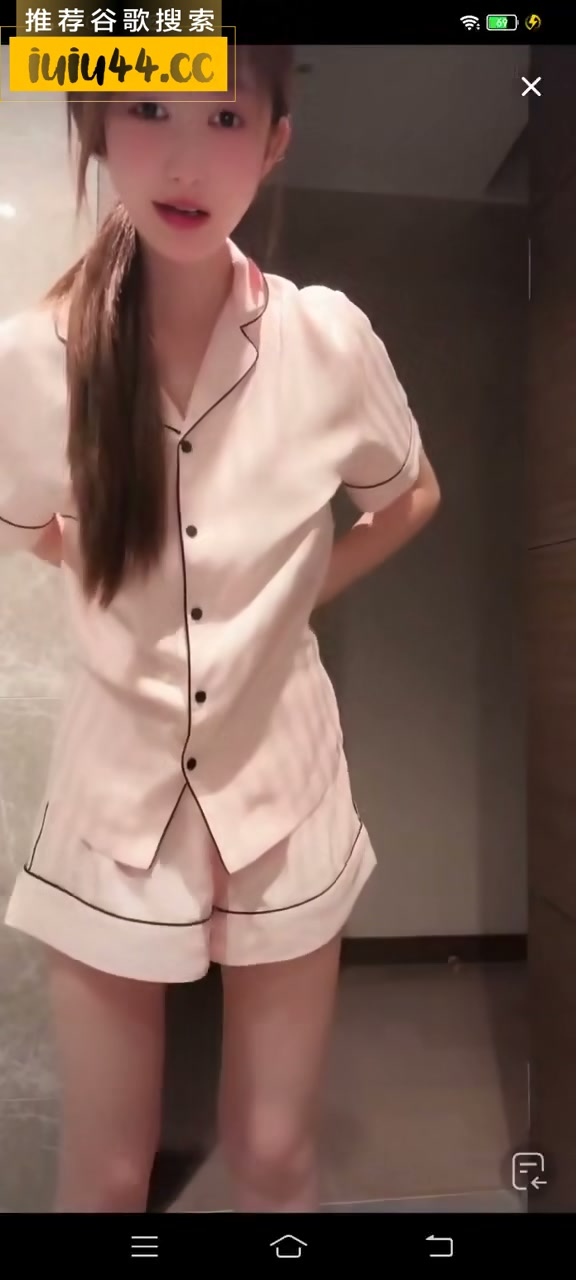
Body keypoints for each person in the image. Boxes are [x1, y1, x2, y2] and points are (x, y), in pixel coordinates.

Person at [0, 44, 440, 1213]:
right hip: (113, 793)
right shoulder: (35, 357)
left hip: (284, 782)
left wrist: (294, 593)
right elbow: (20, 523)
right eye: (149, 106)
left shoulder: (326, 340)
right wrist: (111, 570)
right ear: (96, 121)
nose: (187, 159)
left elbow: (411, 495)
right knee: (104, 1176)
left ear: (276, 139)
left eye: (227, 116)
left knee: (274, 1154)